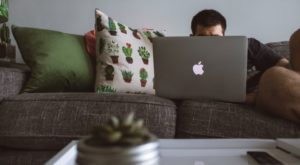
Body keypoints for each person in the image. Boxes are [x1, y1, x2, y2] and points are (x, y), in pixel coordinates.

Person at [191, 9, 300, 123]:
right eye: (202, 38)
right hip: (265, 94)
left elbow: (285, 67)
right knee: (273, 77)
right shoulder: (183, 56)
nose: (210, 45)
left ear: (225, 36)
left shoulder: (248, 46)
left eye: (216, 38)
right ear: (192, 37)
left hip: (279, 86)